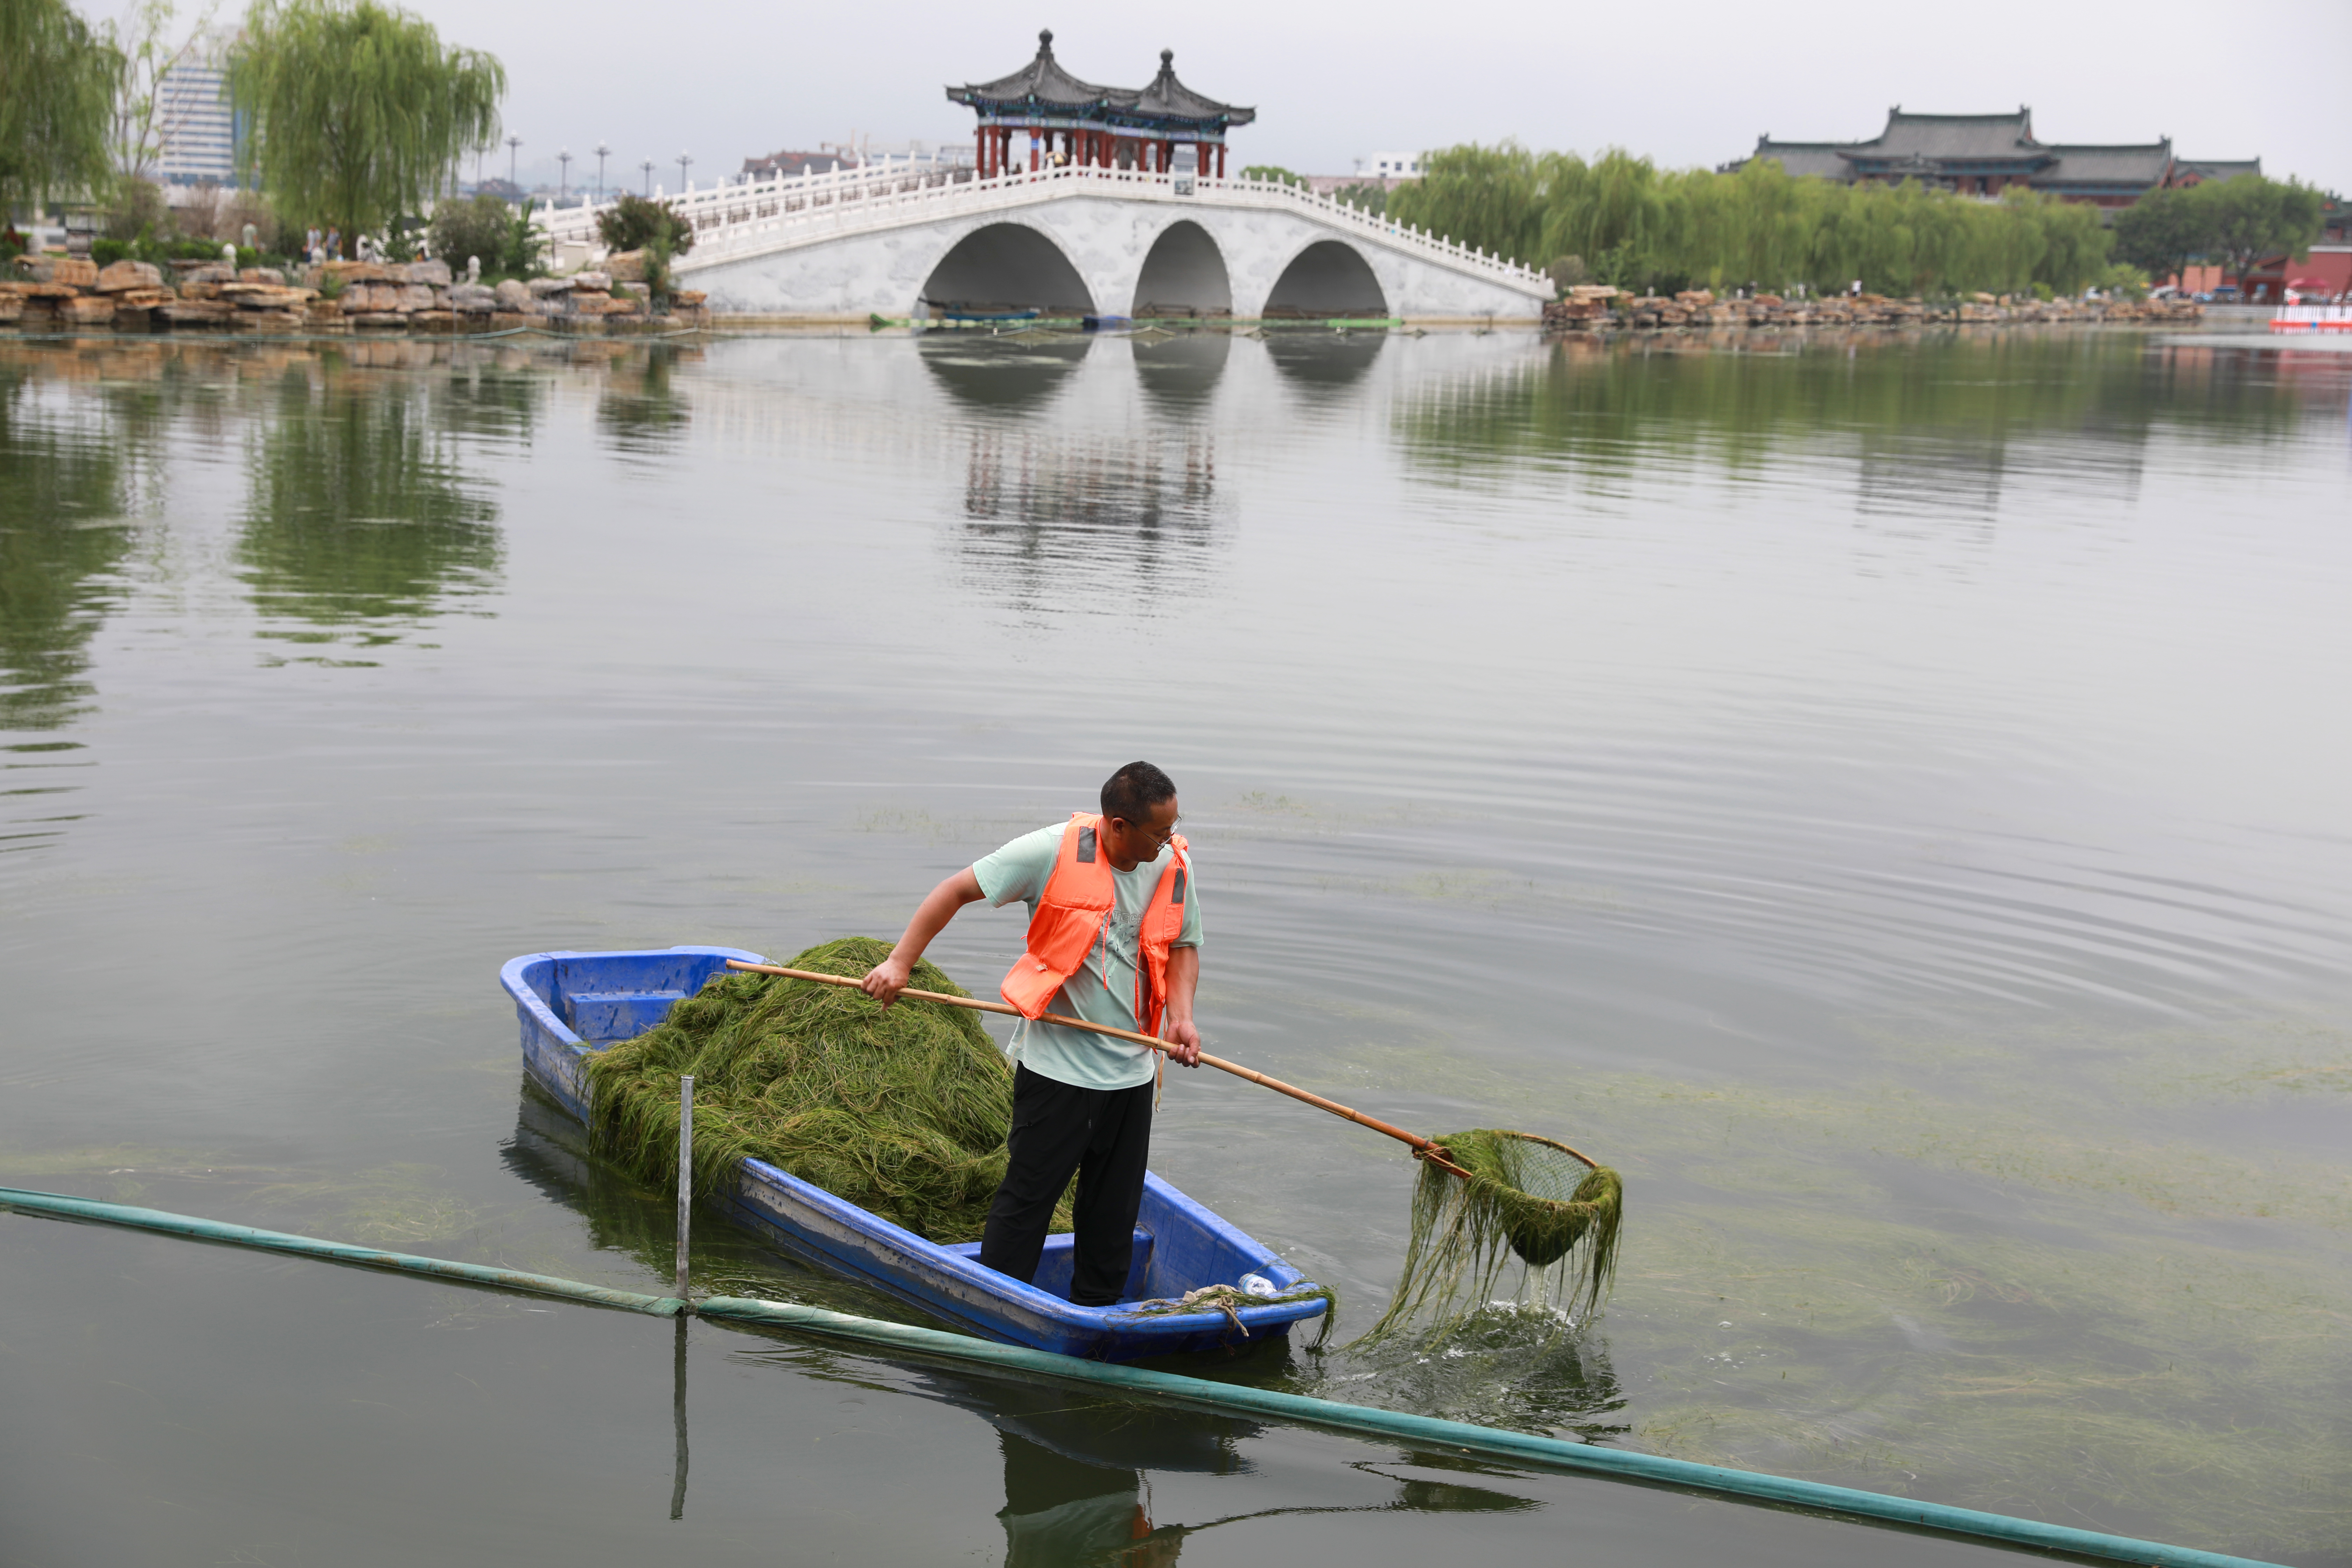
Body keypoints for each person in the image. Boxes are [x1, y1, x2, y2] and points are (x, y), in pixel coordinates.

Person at [861, 761, 1202, 1307]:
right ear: (1118, 826)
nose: (1169, 842)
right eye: (1157, 833)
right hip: (1058, 1073)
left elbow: (1183, 944)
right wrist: (900, 964)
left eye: (1173, 827)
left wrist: (1182, 1017)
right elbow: (954, 891)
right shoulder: (1050, 852)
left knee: (1113, 1214)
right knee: (1027, 1204)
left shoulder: (1170, 865)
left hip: (1135, 1073)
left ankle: (1099, 1318)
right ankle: (994, 1309)